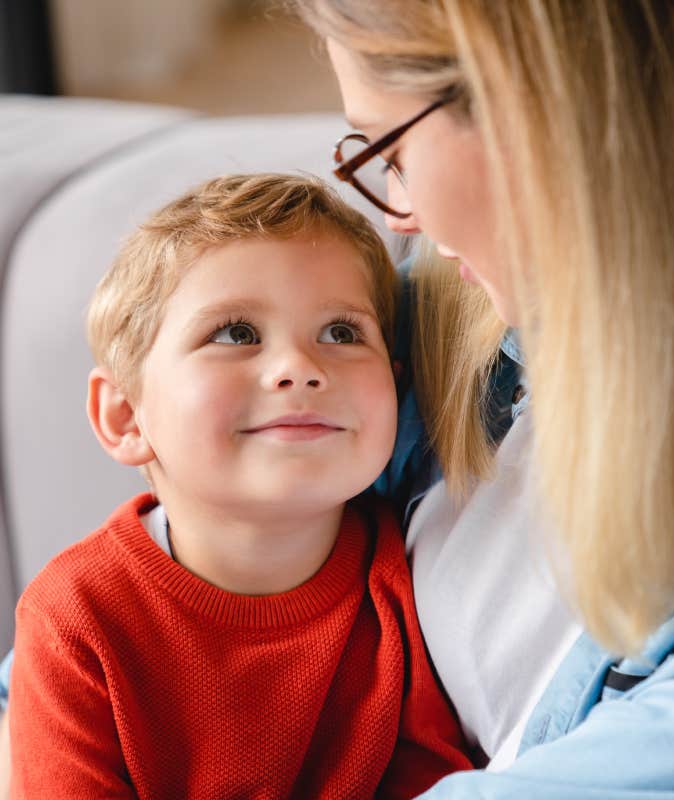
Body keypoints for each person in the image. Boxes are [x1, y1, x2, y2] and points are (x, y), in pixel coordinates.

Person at [284, 1, 674, 797]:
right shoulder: (460, 320)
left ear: (544, 121)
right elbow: (135, 603)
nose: (404, 213)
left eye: (392, 148)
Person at [6, 173, 472, 798]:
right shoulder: (75, 621)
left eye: (341, 333)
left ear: (395, 386)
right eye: (236, 334)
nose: (301, 369)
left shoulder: (411, 579)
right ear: (125, 415)